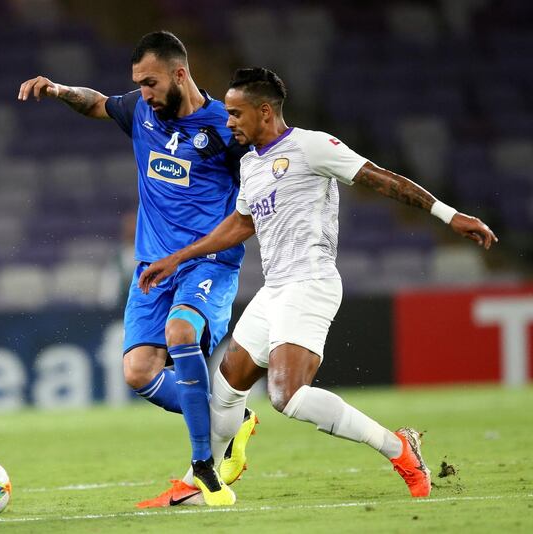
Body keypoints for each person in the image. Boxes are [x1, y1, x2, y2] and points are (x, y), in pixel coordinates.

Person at [139, 67, 498, 499]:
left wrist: (449, 215)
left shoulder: (312, 147)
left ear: (265, 112)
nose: (228, 121)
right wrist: (176, 259)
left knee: (287, 396)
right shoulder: (251, 165)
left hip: (310, 282)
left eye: (236, 113)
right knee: (228, 384)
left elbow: (385, 180)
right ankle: (195, 484)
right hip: (274, 290)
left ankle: (400, 446)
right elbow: (237, 225)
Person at [18, 31, 258, 507]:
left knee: (181, 333)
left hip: (207, 263)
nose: (143, 93)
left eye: (150, 83)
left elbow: (254, 202)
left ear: (180, 74)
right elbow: (99, 104)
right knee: (137, 372)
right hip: (153, 267)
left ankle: (203, 468)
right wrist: (62, 91)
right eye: (139, 84)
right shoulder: (141, 111)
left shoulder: (225, 130)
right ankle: (229, 424)